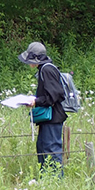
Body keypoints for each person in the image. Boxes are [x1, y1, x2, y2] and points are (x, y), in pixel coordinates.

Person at [18, 41, 67, 177]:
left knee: (51, 149)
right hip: (49, 118)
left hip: (53, 117)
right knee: (43, 148)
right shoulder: (44, 69)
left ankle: (56, 180)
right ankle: (46, 178)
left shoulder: (47, 69)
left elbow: (55, 95)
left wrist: (36, 101)